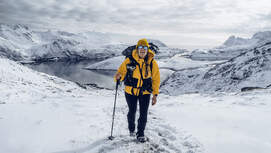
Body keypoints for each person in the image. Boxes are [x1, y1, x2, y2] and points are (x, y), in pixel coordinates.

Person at [114, 38, 160, 143]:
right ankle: (131, 129)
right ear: (137, 48)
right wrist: (118, 77)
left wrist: (155, 95)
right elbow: (121, 72)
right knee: (132, 111)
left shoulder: (152, 63)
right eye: (140, 47)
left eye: (145, 47)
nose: (142, 50)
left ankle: (140, 133)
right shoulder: (129, 60)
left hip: (145, 92)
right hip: (130, 92)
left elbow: (156, 79)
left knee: (143, 114)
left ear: (147, 49)